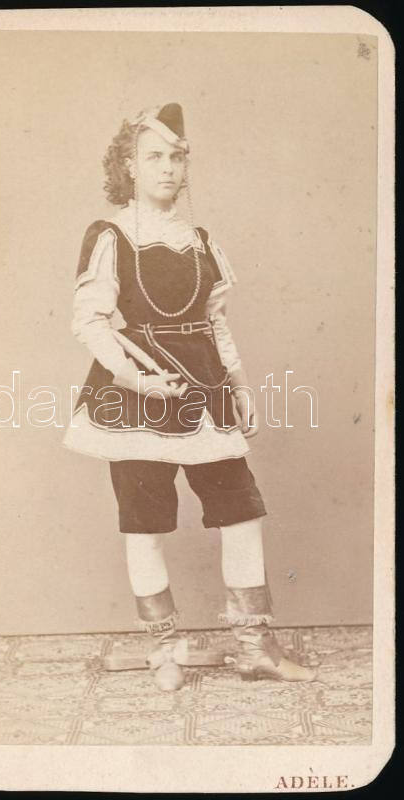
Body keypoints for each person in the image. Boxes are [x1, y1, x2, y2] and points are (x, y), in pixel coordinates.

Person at [63, 103, 316, 690]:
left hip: (205, 388)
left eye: (177, 157)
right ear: (129, 166)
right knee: (145, 524)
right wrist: (137, 380)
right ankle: (165, 649)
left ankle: (255, 648)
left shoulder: (201, 241)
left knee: (241, 513)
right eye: (154, 156)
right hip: (137, 393)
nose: (168, 168)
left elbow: (216, 324)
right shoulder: (110, 236)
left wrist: (241, 387)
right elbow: (90, 322)